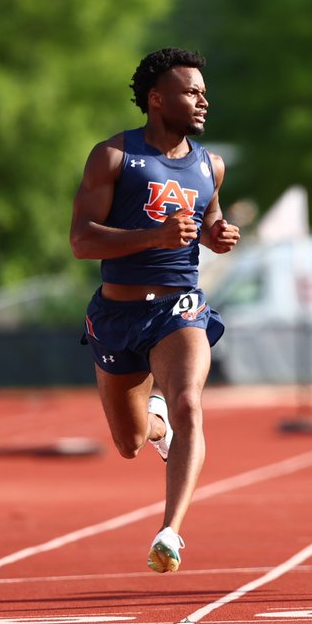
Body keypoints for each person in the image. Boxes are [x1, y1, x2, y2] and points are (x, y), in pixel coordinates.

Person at [70, 47, 240, 573]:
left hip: (179, 309)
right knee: (129, 441)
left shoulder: (211, 164)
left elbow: (208, 215)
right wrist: (153, 237)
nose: (203, 100)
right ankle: (156, 427)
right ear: (156, 98)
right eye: (191, 92)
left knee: (189, 401)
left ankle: (170, 531)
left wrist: (216, 234)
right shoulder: (113, 157)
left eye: (204, 92)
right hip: (118, 315)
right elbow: (81, 240)